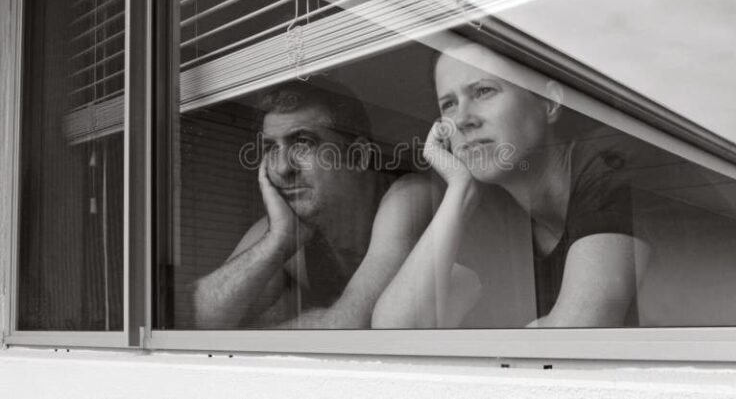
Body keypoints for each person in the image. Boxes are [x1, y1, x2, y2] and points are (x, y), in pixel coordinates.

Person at [372, 43, 651, 328]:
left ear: (549, 102)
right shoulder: (492, 202)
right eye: (449, 105)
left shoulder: (608, 163)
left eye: (483, 91)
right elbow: (396, 328)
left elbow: (580, 327)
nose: (463, 120)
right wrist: (459, 191)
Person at [193, 78, 433, 329]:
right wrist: (278, 240)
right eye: (271, 148)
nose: (283, 167)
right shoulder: (286, 228)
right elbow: (194, 320)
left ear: (358, 156)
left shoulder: (410, 196)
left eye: (303, 143)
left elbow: (345, 329)